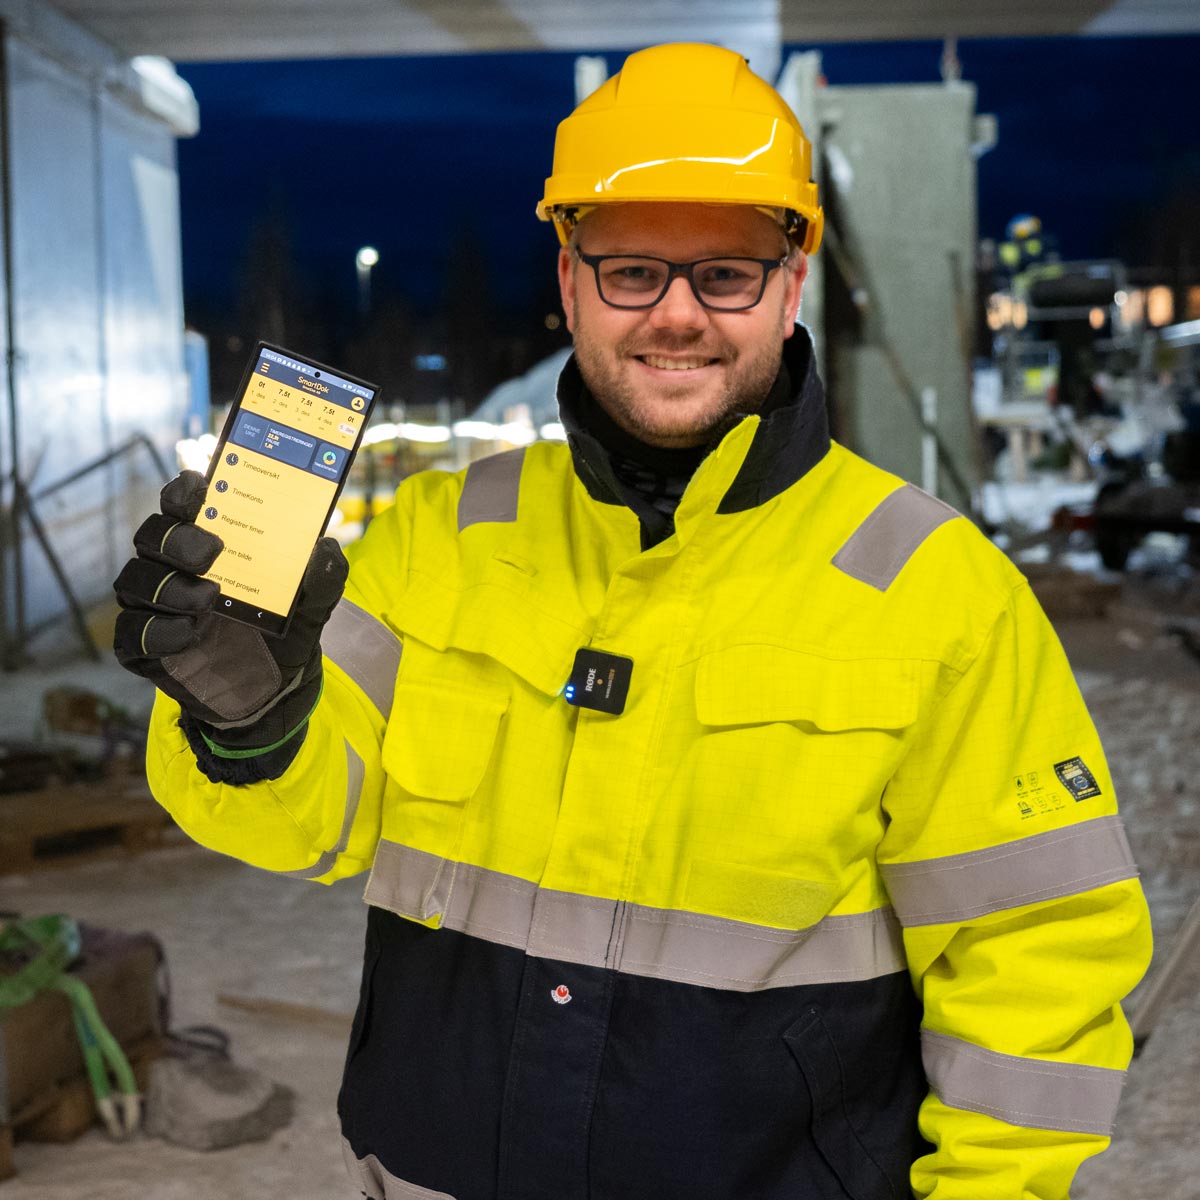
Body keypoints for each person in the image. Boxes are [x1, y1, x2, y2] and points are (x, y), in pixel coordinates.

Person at [115, 42, 1151, 1200]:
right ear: (568, 280)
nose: (677, 316)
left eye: (726, 275)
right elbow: (306, 829)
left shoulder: (936, 589)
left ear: (789, 286)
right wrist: (252, 726)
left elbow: (1038, 959)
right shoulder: (440, 538)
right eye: (631, 271)